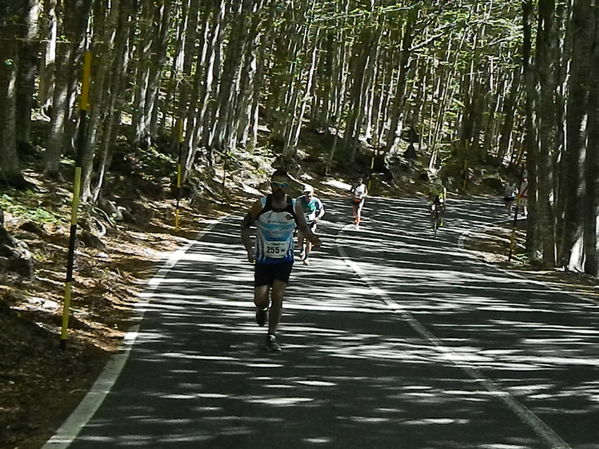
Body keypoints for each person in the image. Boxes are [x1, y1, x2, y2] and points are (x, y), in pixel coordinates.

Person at [241, 170, 321, 351]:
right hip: (263, 258)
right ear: (271, 185)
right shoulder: (261, 204)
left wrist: (313, 238)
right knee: (260, 299)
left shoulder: (294, 206)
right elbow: (245, 226)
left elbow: (303, 226)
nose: (280, 188)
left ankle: (271, 336)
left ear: (288, 187)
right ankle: (262, 310)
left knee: (278, 294)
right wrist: (249, 250)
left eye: (284, 185)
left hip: (284, 258)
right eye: (276, 184)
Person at [296, 184, 325, 265]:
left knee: (309, 240)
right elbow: (293, 209)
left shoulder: (316, 201)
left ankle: (306, 257)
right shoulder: (300, 200)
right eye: (306, 193)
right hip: (302, 222)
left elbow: (322, 210)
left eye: (309, 193)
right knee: (300, 239)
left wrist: (318, 217)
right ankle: (301, 249)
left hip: (311, 223)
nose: (307, 195)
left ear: (313, 192)